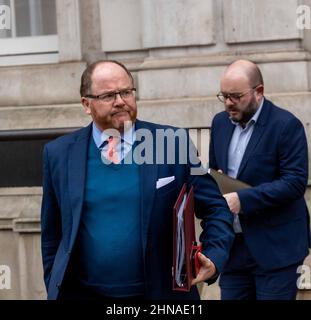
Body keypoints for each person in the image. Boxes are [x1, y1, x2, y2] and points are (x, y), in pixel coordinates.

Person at [41, 59, 235, 300]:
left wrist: (214, 257)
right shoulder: (59, 154)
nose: (121, 101)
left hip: (160, 296)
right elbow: (52, 235)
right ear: (86, 104)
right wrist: (53, 286)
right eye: (109, 95)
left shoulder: (172, 143)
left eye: (126, 92)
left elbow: (216, 208)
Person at [209, 59, 310, 300]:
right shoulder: (220, 123)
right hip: (232, 247)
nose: (229, 104)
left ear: (259, 92)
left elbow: (295, 182)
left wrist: (242, 200)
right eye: (224, 96)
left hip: (276, 248)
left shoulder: (287, 125)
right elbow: (216, 170)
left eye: (236, 96)